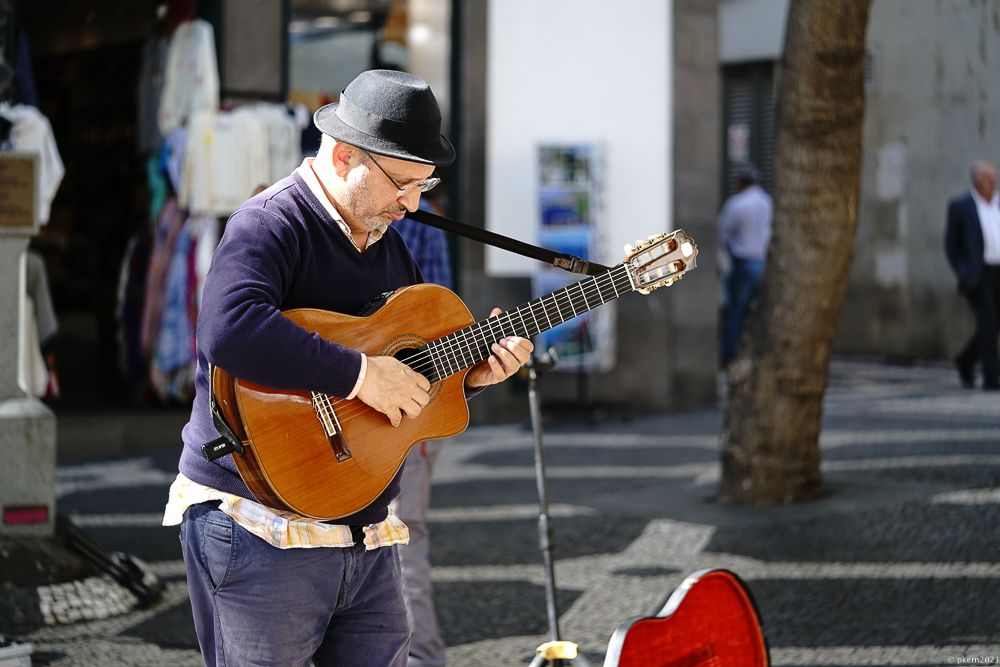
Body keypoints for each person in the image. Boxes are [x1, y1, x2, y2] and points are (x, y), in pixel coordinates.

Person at [161, 69, 533, 667]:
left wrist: (474, 375)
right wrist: (360, 374)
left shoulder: (386, 240)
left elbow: (406, 381)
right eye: (403, 184)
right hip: (260, 527)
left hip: (365, 534)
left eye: (423, 185)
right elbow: (228, 329)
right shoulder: (269, 223)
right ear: (342, 156)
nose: (412, 206)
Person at [390, 208, 451, 667]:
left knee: (405, 536)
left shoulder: (423, 219)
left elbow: (442, 320)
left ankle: (424, 656)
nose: (407, 196)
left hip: (415, 406)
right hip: (355, 411)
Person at [945, 159, 1000, 390]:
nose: (993, 182)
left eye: (994, 178)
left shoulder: (999, 203)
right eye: (988, 179)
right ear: (976, 181)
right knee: (987, 323)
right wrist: (964, 272)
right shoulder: (961, 206)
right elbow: (951, 244)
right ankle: (991, 376)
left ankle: (966, 360)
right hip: (979, 274)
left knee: (993, 325)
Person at [717, 165, 773, 368]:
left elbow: (720, 233)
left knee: (735, 312)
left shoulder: (737, 204)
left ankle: (729, 356)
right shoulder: (768, 203)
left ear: (740, 182)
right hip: (764, 263)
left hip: (743, 263)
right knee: (759, 313)